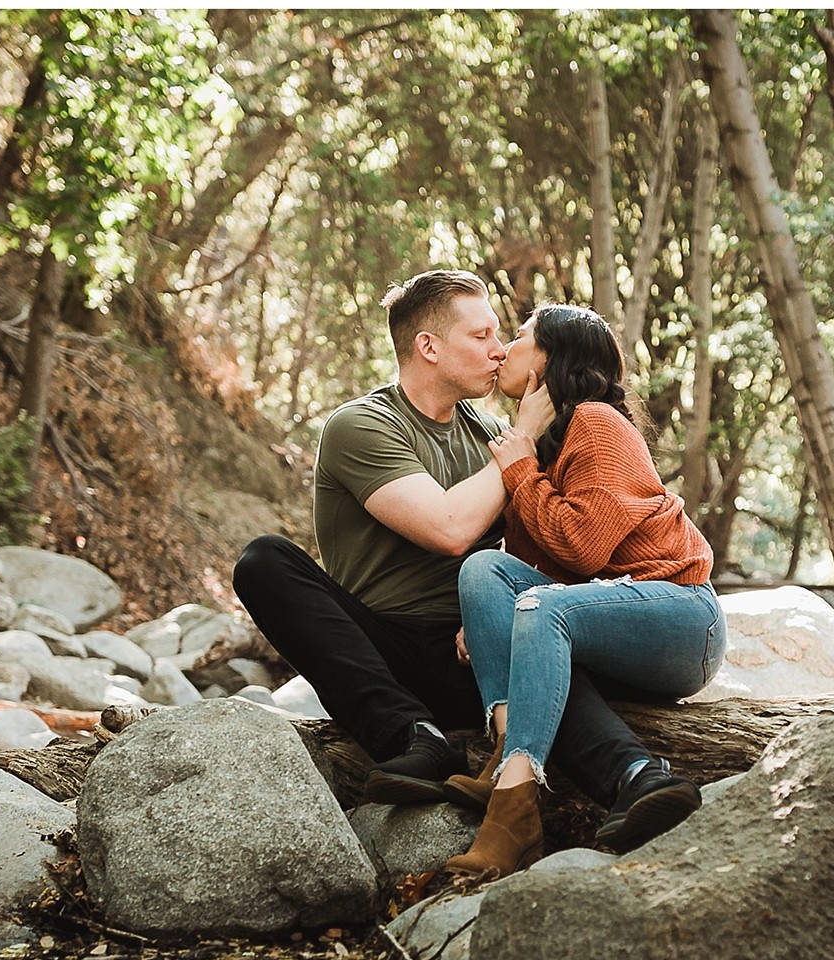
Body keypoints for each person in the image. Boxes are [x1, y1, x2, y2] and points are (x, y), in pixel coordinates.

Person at [233, 270, 675, 847]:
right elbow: (448, 528)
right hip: (379, 647)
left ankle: (635, 778)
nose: (500, 352)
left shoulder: (493, 433)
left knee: (535, 631)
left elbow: (570, 525)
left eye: (503, 337)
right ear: (429, 347)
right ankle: (415, 737)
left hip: (468, 648)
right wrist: (518, 443)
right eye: (482, 336)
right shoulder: (361, 425)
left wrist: (651, 504)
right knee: (264, 561)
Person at [445, 304, 722, 881]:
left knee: (538, 607)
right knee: (481, 573)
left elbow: (581, 548)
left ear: (550, 358)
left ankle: (515, 807)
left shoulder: (596, 422)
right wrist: (490, 616)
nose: (502, 351)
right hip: (608, 622)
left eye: (517, 338)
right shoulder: (540, 441)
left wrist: (519, 466)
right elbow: (522, 566)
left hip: (680, 615)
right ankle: (509, 751)